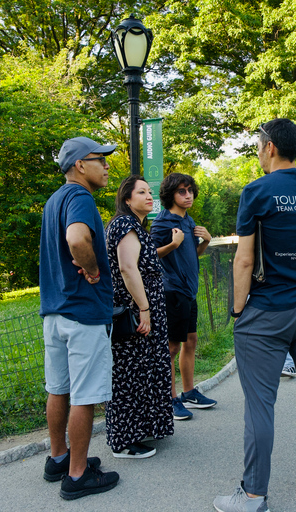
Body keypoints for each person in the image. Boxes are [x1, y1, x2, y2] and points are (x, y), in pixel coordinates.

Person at [213, 118, 296, 512]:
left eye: (258, 144)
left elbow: (244, 260)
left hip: (268, 310)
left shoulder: (256, 192)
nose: (257, 149)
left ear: (269, 147)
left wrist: (238, 310)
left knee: (259, 405)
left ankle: (253, 495)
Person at [39, 136, 119, 500]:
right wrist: (92, 270)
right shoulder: (80, 197)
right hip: (83, 312)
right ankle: (77, 475)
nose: (106, 165)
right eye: (99, 159)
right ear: (79, 165)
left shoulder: (53, 200)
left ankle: (58, 459)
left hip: (55, 312)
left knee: (58, 389)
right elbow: (76, 239)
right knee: (85, 395)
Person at [105, 175, 174, 459]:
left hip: (145, 310)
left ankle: (142, 428)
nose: (149, 196)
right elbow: (127, 269)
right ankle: (123, 441)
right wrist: (144, 309)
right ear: (127, 198)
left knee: (144, 370)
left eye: (150, 192)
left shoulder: (135, 226)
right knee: (129, 373)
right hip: (135, 313)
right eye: (141, 192)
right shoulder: (124, 224)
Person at [150, 172, 217, 421]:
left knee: (191, 341)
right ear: (171, 195)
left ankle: (189, 392)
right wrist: (173, 244)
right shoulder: (162, 223)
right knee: (171, 347)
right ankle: (171, 399)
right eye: (181, 191)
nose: (187, 195)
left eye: (189, 190)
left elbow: (192, 255)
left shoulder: (188, 222)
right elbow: (149, 255)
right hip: (172, 291)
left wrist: (206, 242)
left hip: (189, 291)